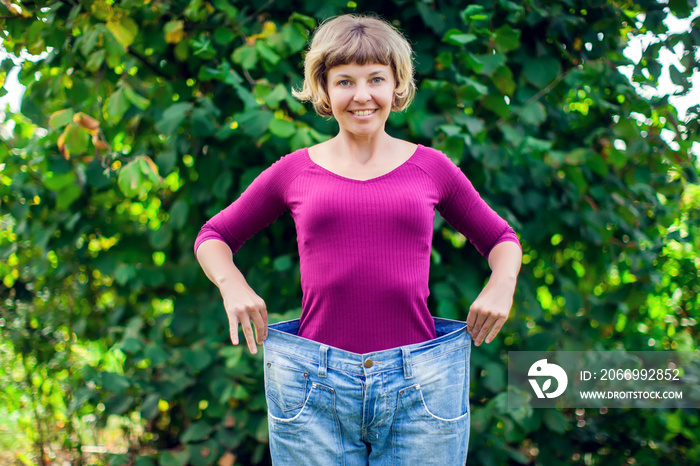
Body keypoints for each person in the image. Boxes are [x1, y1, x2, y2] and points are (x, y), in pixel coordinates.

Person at [194, 13, 522, 465]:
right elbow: (214, 236)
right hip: (314, 387)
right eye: (345, 81)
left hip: (419, 387)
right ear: (324, 89)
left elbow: (502, 239)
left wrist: (501, 284)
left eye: (376, 79)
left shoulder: (431, 168)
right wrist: (233, 285)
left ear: (397, 86)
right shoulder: (295, 170)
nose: (362, 95)